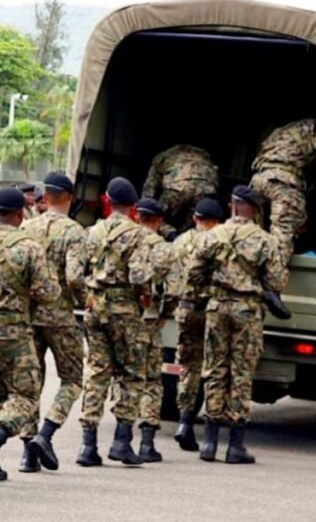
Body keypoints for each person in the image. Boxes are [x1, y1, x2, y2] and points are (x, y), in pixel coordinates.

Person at [185, 186, 288, 464]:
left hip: (217, 308)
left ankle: (208, 444)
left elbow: (193, 273)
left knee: (215, 370)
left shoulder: (212, 235)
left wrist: (214, 283)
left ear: (232, 206)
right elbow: (277, 282)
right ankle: (235, 446)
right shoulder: (265, 241)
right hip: (246, 311)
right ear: (255, 210)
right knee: (240, 373)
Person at [0, 188, 59, 485]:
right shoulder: (29, 247)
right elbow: (49, 293)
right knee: (26, 393)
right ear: (21, 214)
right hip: (13, 329)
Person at [77, 177, 154, 467]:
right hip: (124, 310)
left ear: (108, 201)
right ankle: (122, 442)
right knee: (131, 373)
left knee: (97, 371)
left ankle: (88, 446)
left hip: (95, 306)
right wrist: (144, 296)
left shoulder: (93, 231)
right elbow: (139, 276)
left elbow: (81, 268)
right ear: (133, 207)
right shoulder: (137, 235)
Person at [20, 172, 87, 472]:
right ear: (70, 198)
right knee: (72, 379)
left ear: (45, 197)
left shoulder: (27, 227)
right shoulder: (74, 232)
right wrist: (85, 298)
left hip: (29, 315)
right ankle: (46, 433)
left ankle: (27, 452)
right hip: (60, 316)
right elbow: (74, 276)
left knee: (31, 381)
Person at [167, 198, 223, 451]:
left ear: (194, 218)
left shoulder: (180, 242)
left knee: (188, 367)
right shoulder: (219, 242)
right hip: (211, 311)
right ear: (219, 221)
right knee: (214, 367)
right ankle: (212, 433)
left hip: (185, 310)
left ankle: (185, 422)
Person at [249, 116, 316, 260]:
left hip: (257, 181)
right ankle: (273, 279)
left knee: (252, 238)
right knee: (281, 243)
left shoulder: (284, 130)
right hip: (283, 183)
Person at [133, 197, 175, 463]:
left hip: (123, 318)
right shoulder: (164, 250)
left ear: (138, 217)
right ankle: (147, 443)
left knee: (123, 377)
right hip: (150, 320)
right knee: (150, 380)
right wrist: (164, 314)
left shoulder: (125, 241)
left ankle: (118, 438)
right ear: (159, 221)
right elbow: (173, 290)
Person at [142, 145, 219, 234]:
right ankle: (185, 239)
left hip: (177, 187)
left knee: (153, 218)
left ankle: (170, 235)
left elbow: (149, 189)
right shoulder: (204, 155)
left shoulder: (161, 158)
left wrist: (143, 209)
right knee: (193, 225)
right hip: (207, 188)